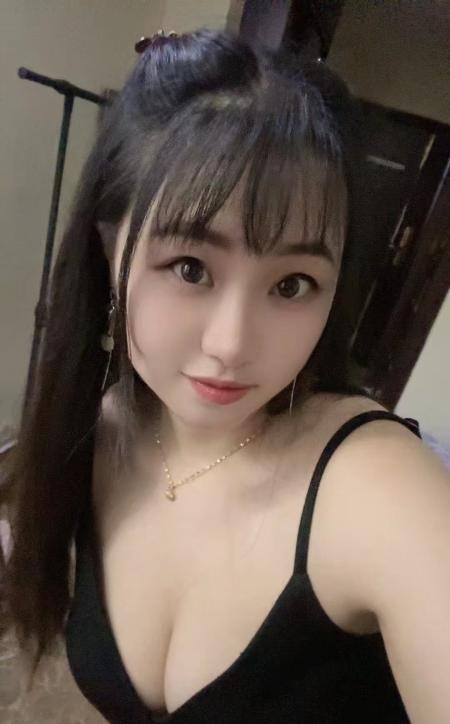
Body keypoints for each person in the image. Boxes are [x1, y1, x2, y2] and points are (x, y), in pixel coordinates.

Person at [2, 28, 449, 724]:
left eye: (293, 284)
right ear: (108, 247)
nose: (232, 344)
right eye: (191, 268)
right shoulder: (101, 427)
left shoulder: (377, 487)